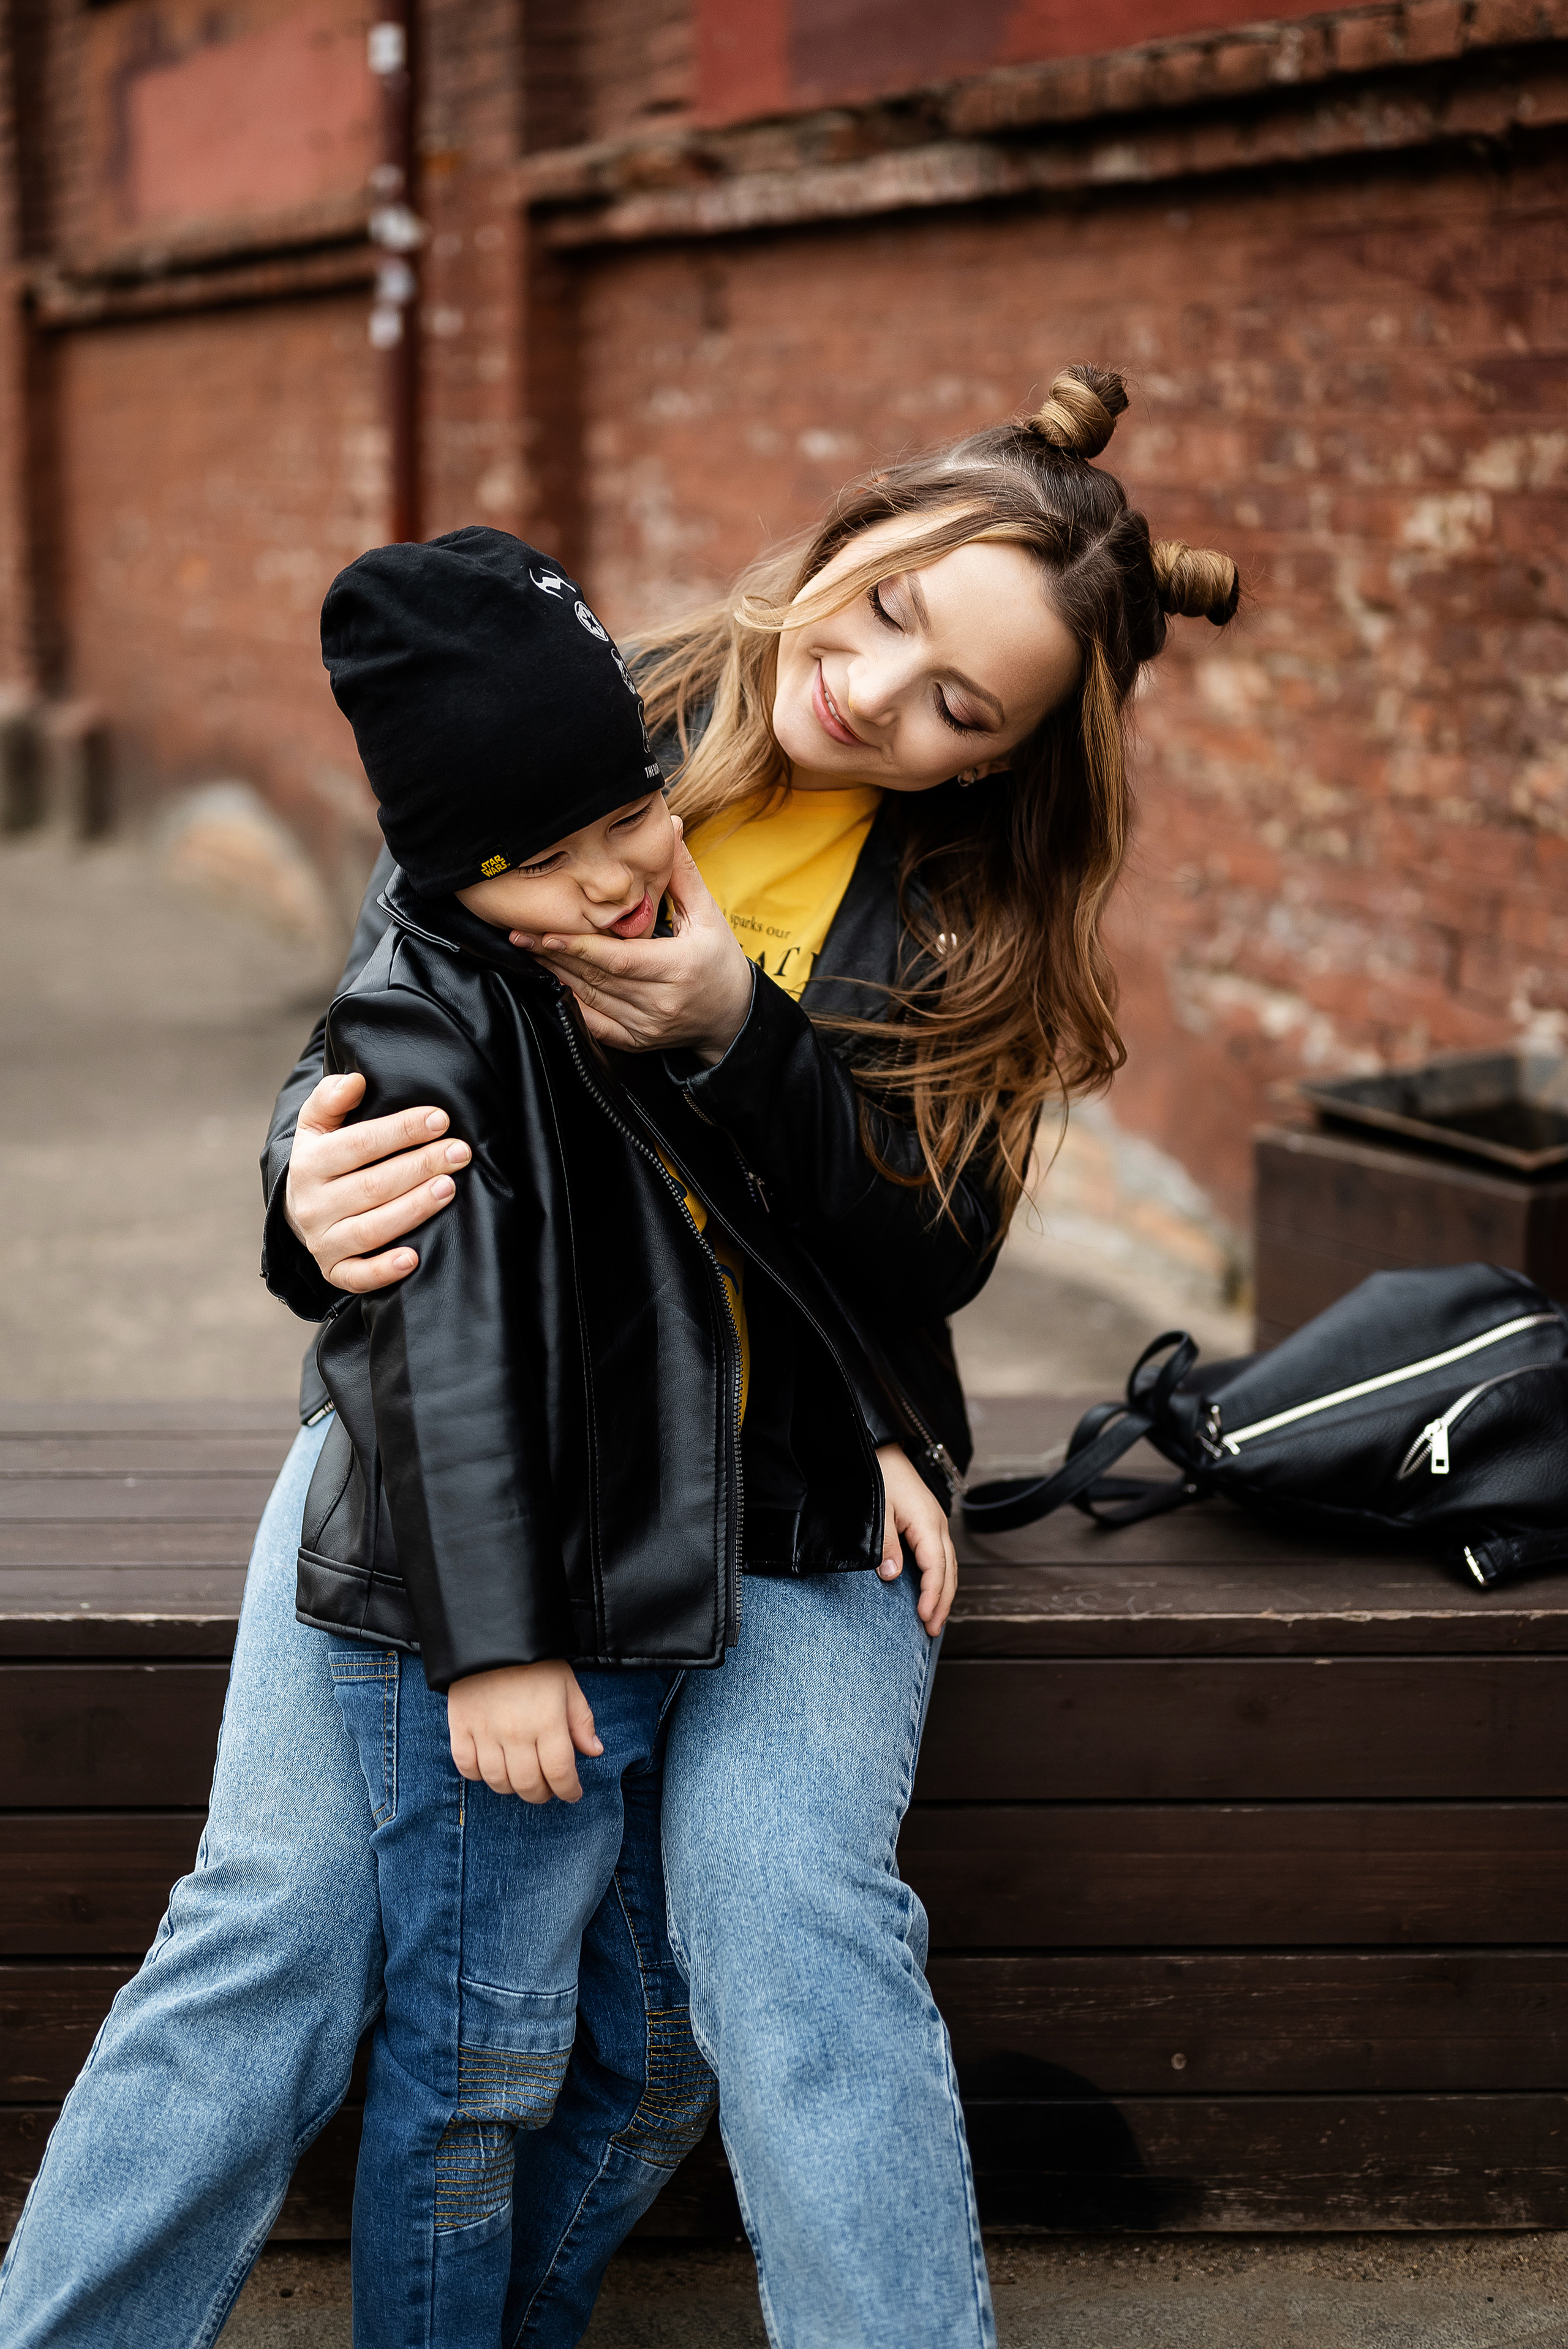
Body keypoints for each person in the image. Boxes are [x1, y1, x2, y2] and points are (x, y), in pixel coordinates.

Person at [0, 364, 1238, 2349]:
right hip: (468, 1432)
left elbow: (935, 1241)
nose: (881, 686)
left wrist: (742, 1033)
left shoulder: (976, 933)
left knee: (791, 1935)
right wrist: (294, 1198)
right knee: (273, 1932)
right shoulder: (588, 713)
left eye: (963, 709)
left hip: (794, 1480)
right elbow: (372, 1038)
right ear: (846, 542)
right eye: (891, 604)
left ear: (1004, 763)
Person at [298, 526, 955, 2347]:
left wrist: (873, 1423)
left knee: (645, 2039)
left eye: (630, 816)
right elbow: (448, 1360)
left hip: (656, 1584)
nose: (611, 877)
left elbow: (761, 1232)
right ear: (447, 874)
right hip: (506, 1639)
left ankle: (533, 2319)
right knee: (477, 2055)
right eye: (544, 862)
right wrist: (494, 1648)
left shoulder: (649, 958)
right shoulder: (433, 1028)